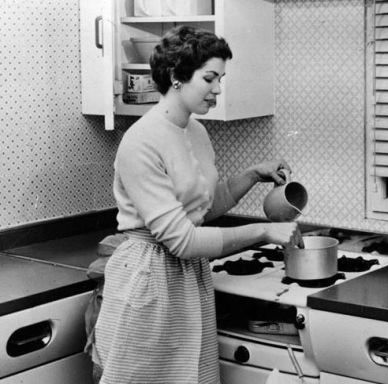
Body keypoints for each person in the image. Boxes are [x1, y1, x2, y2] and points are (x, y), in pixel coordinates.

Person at [92, 25, 303, 383]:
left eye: (221, 78)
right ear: (176, 76)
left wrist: (252, 174)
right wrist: (264, 230)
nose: (218, 90)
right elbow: (181, 240)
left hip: (188, 282)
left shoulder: (196, 131)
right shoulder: (141, 141)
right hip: (148, 281)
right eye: (210, 78)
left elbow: (201, 209)